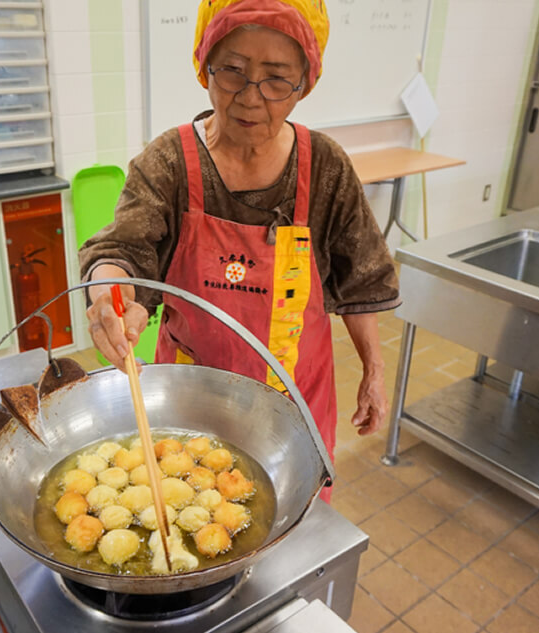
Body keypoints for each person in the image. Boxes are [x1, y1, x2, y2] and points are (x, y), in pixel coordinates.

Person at [79, 0, 400, 500]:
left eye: (276, 79)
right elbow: (123, 247)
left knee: (291, 523)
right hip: (192, 399)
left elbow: (361, 278)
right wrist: (109, 293)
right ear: (204, 67)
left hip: (294, 401)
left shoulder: (326, 167)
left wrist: (374, 372)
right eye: (232, 71)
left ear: (304, 85)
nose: (252, 97)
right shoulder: (170, 160)